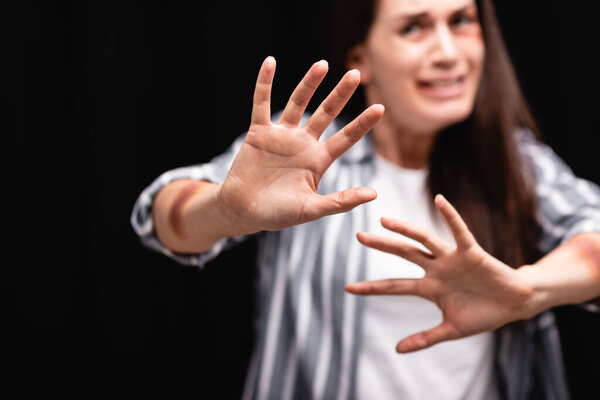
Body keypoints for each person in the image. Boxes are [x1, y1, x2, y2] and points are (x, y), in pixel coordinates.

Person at [131, 0, 600, 398]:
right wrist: (223, 211)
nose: (447, 52)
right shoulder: (301, 155)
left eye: (461, 20)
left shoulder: (515, 164)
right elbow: (159, 215)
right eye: (413, 28)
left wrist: (529, 289)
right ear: (363, 56)